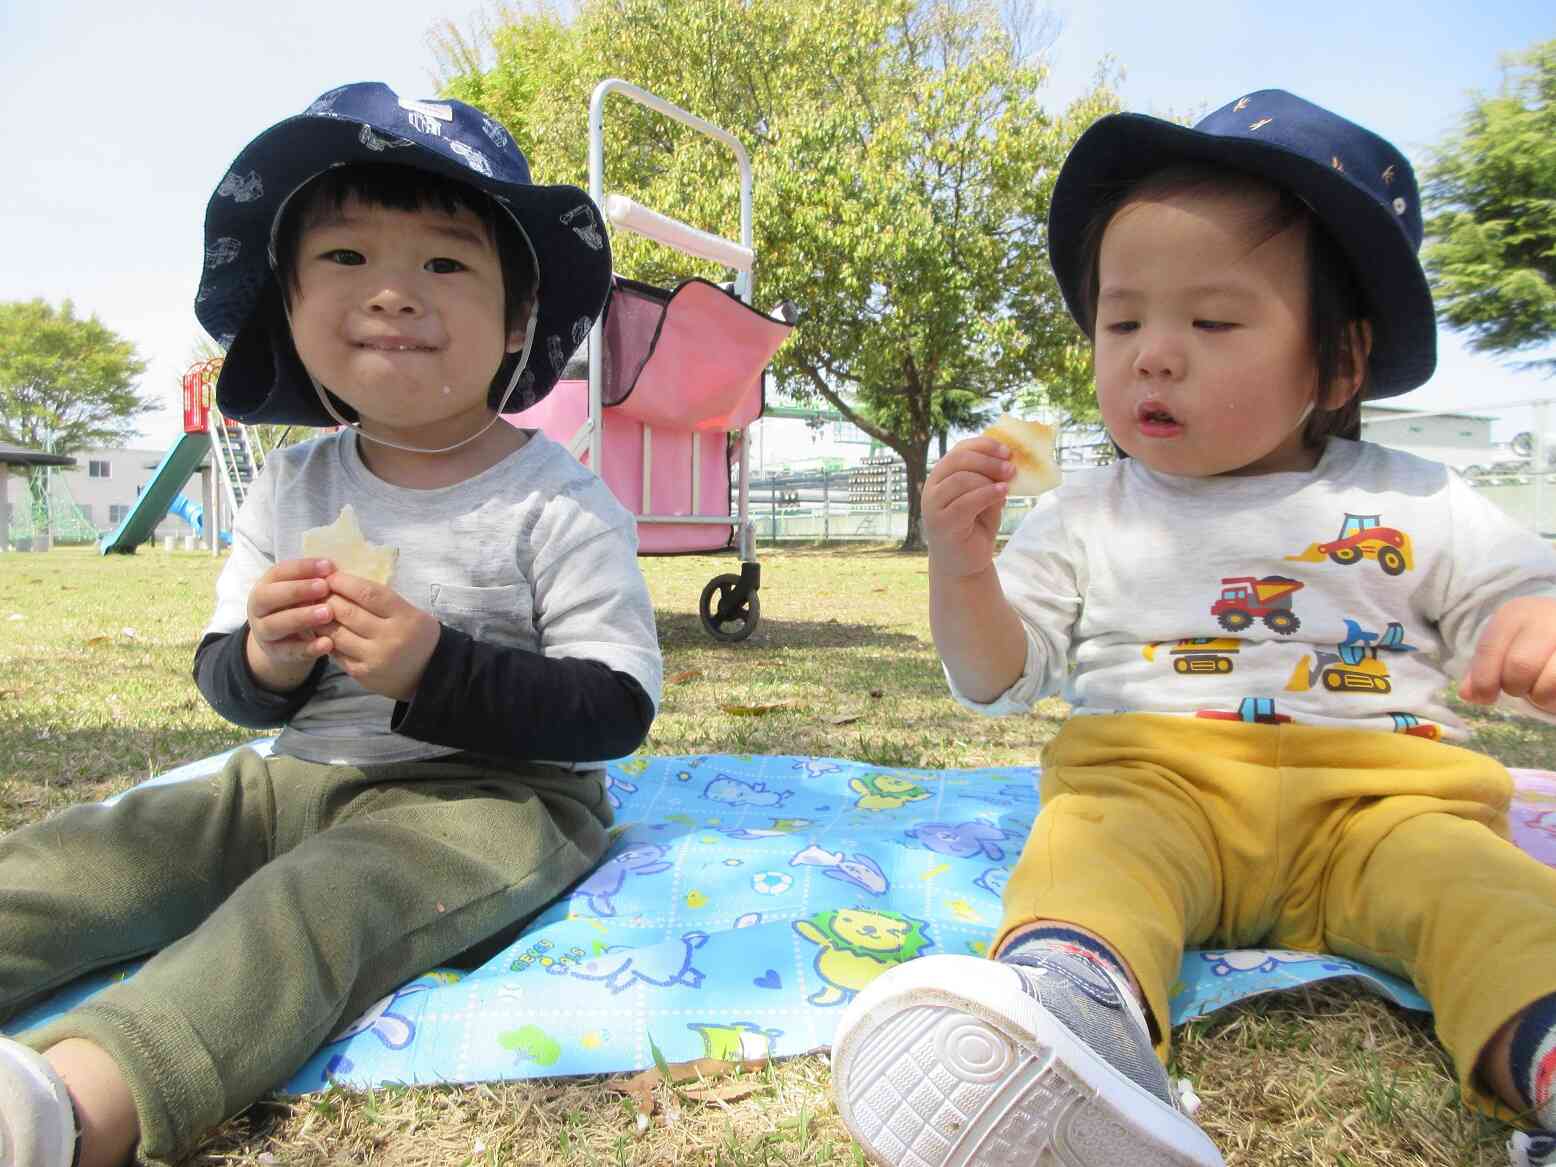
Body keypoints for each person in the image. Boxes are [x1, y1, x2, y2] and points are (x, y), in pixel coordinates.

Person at [830, 89, 1556, 1167]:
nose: (1152, 355)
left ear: (1339, 362)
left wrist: (1530, 622)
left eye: (1210, 323)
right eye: (1121, 322)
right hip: (1150, 788)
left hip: (1382, 804)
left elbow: (1512, 587)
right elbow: (995, 676)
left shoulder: (1418, 498)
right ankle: (1071, 1022)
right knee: (1081, 857)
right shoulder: (1083, 510)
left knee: (1492, 901)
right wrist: (963, 568)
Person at [0, 82, 662, 1167]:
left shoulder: (558, 499)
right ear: (291, 313)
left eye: (444, 264)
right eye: (346, 261)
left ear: (515, 323)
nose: (393, 294)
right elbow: (228, 681)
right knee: (99, 852)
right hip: (288, 780)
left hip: (484, 799)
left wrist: (434, 667)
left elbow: (612, 708)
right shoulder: (290, 486)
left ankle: (74, 1104)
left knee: (313, 909)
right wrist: (266, 655)